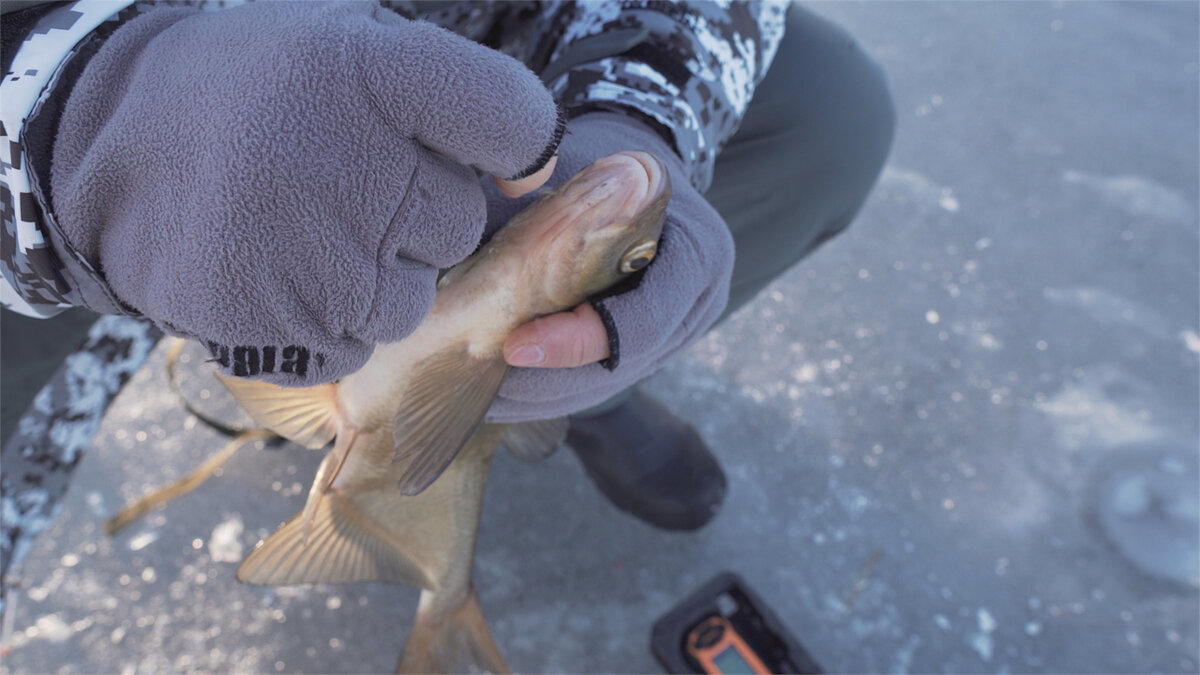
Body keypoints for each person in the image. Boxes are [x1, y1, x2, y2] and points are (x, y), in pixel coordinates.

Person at [1, 0, 894, 539]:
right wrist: (71, 105)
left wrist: (643, 99)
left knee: (826, 114)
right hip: (68, 116)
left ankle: (556, 371)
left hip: (471, 53)